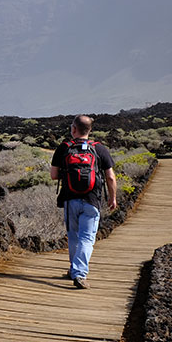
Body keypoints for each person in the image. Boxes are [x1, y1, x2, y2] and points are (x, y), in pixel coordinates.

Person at [49, 115, 117, 289]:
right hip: (92, 200)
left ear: (73, 129)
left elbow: (54, 175)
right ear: (90, 130)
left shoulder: (64, 147)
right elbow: (110, 177)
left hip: (70, 199)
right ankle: (79, 273)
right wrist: (112, 198)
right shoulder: (99, 148)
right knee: (87, 238)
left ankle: (75, 270)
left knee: (73, 236)